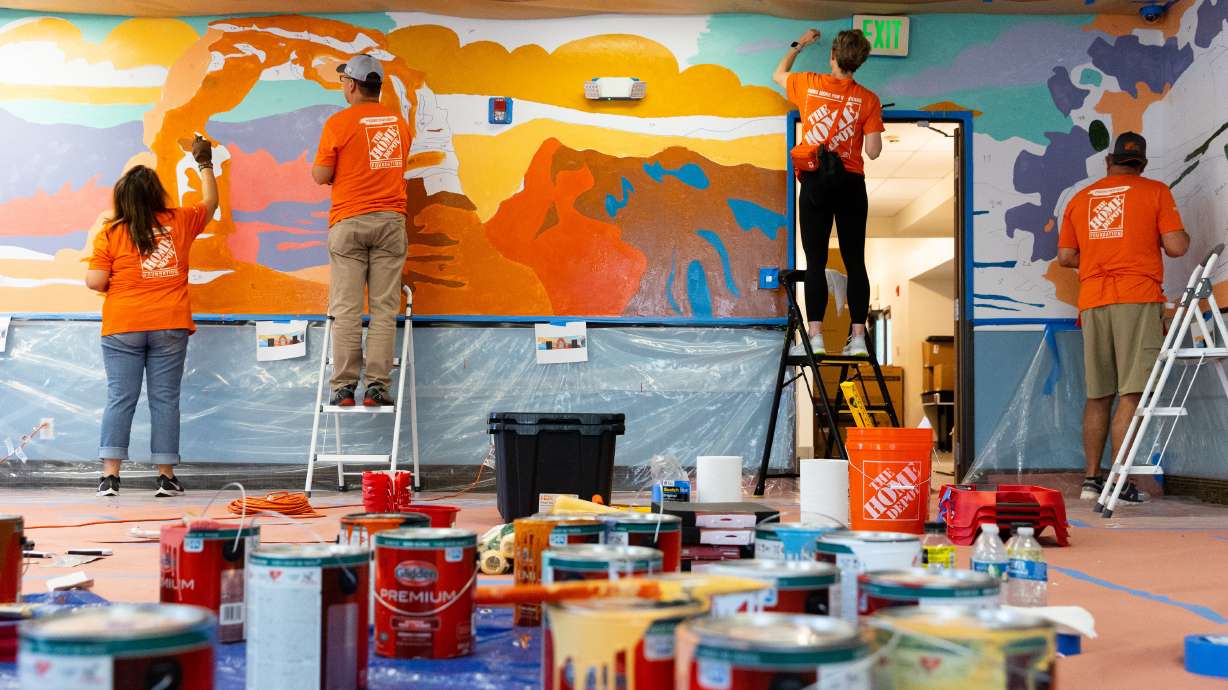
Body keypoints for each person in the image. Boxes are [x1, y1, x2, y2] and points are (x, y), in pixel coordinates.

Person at [1058, 132, 1190, 504]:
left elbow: (1066, 256)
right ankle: (1119, 482)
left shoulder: (1080, 199)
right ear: (1142, 165)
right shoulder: (1155, 191)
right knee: (1132, 392)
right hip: (1137, 298)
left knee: (1098, 394)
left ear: (1108, 162)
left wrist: (1102, 257)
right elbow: (1177, 246)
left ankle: (1091, 481)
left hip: (1093, 301)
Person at [86, 136, 218, 497]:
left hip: (122, 325)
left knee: (120, 398)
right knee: (165, 399)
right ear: (157, 193)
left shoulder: (112, 232)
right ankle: (165, 475)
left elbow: (96, 281)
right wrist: (204, 162)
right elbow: (210, 202)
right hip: (169, 323)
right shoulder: (181, 221)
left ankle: (110, 476)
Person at [773, 28, 884, 357]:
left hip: (815, 182)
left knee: (817, 261)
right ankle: (859, 339)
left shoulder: (809, 83)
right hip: (851, 184)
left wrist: (799, 43)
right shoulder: (868, 99)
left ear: (832, 57)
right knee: (855, 262)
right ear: (859, 62)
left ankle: (816, 337)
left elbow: (777, 74)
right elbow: (875, 152)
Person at [312, 54, 412, 408]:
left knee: (347, 309)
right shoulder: (400, 124)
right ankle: (377, 387)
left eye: (343, 81)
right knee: (384, 309)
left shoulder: (338, 123)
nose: (343, 86)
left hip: (349, 222)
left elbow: (322, 175)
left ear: (352, 84)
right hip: (390, 222)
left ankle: (343, 388)